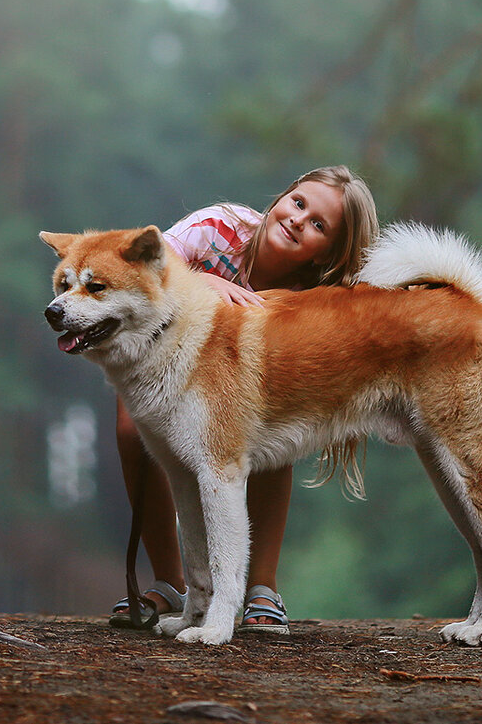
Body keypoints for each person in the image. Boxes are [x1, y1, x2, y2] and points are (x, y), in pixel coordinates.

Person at [109, 165, 379, 635]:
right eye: (298, 204)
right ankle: (172, 582)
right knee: (134, 433)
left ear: (331, 252)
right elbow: (144, 263)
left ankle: (262, 588)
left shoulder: (315, 295)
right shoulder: (220, 227)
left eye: (319, 225)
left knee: (271, 436)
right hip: (164, 360)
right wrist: (207, 282)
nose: (299, 220)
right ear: (282, 197)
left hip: (245, 383)